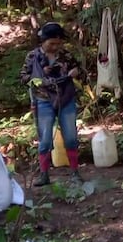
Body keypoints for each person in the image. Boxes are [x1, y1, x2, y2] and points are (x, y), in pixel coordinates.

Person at [20, 22, 86, 186]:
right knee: (45, 139)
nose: (55, 47)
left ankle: (75, 173)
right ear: (43, 41)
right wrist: (38, 80)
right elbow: (23, 77)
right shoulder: (33, 57)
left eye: (58, 43)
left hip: (66, 99)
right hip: (43, 100)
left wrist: (75, 72)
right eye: (52, 43)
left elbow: (81, 72)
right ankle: (44, 175)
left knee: (70, 137)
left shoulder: (65, 55)